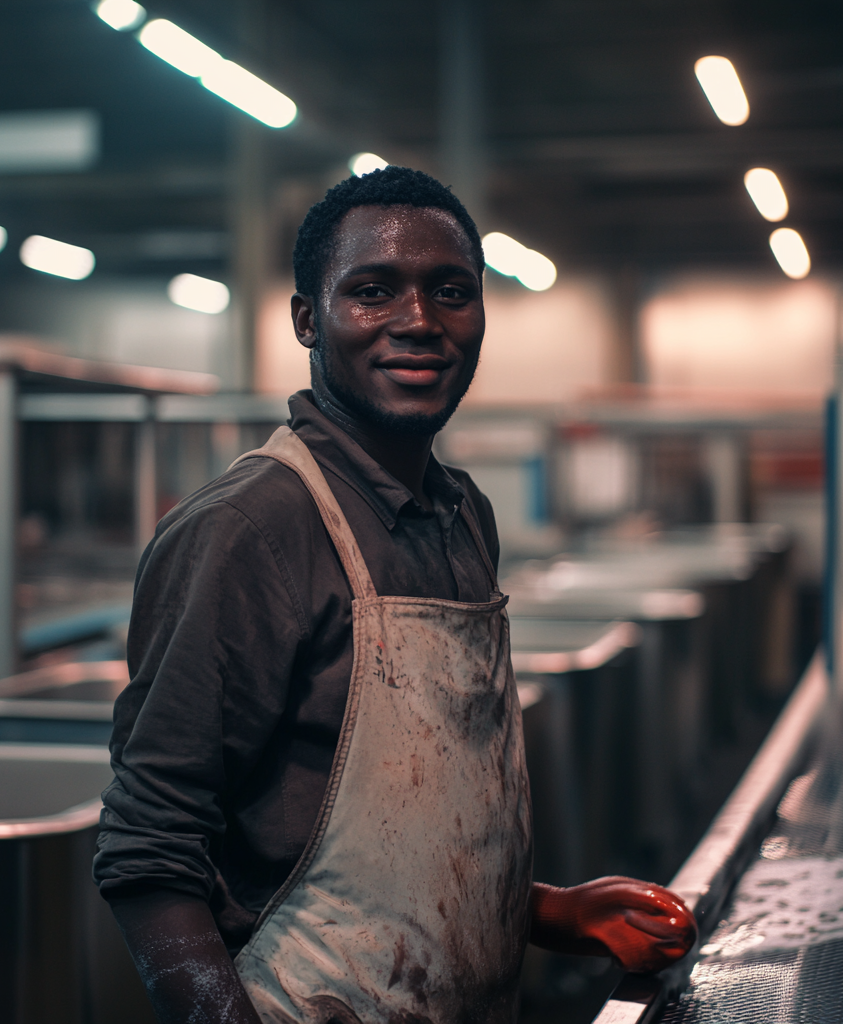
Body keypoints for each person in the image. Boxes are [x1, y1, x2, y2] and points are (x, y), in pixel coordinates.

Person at [93, 166, 696, 1024]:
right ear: (309, 318)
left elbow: (398, 842)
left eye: (451, 291)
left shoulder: (462, 516)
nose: (419, 322)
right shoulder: (252, 530)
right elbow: (147, 850)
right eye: (373, 292)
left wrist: (549, 912)